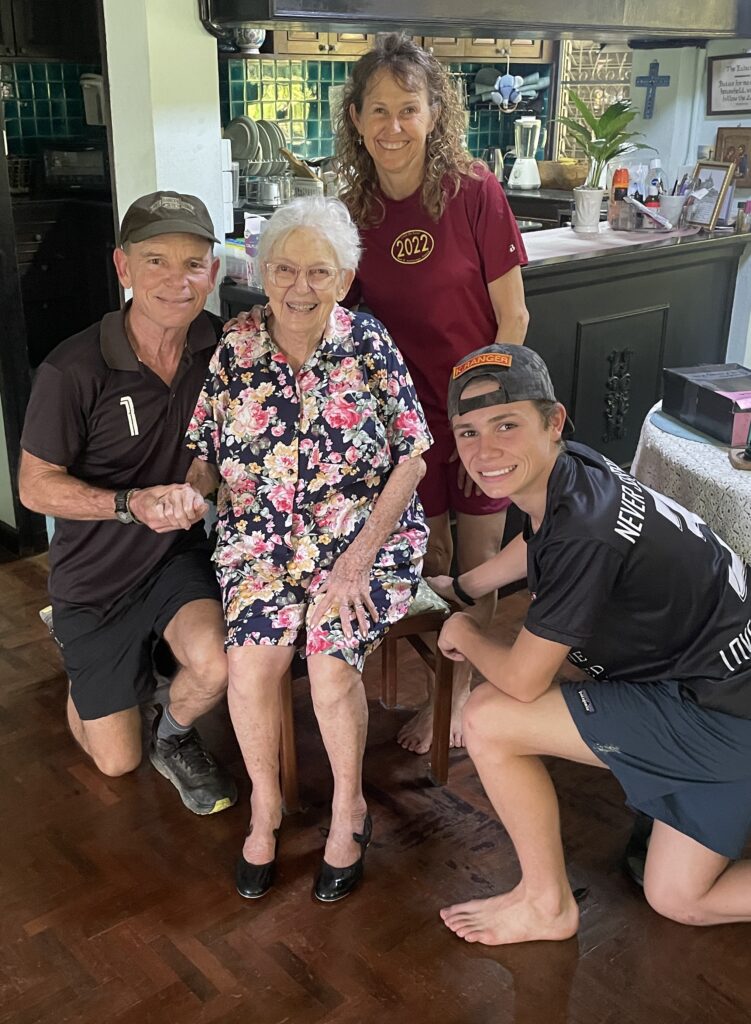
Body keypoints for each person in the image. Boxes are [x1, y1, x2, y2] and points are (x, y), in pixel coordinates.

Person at [428, 343, 751, 946]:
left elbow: (523, 680)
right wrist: (468, 585)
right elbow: (538, 540)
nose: (485, 451)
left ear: (553, 421)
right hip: (722, 684)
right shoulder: (571, 471)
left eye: (506, 424)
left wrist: (465, 631)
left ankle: (546, 905)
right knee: (678, 898)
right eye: (468, 431)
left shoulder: (586, 532)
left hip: (719, 716)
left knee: (490, 718)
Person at [185, 196, 431, 903]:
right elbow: (205, 453)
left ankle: (347, 808)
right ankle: (264, 805)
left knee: (326, 664)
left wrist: (355, 559)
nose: (300, 287)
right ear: (262, 272)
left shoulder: (369, 342)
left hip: (363, 539)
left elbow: (411, 456)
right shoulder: (235, 344)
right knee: (251, 664)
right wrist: (188, 492)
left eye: (318, 272)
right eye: (284, 269)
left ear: (345, 278)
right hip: (261, 540)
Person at [336, 32, 529, 756]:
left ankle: (465, 698)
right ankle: (445, 679)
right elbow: (342, 318)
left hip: (478, 410)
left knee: (478, 558)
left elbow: (513, 315)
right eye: (378, 110)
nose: (393, 127)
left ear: (434, 112)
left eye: (408, 109)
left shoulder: (474, 191)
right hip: (404, 422)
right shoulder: (353, 209)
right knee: (430, 555)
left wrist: (492, 402)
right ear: (355, 117)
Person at [19, 191, 237, 816]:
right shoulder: (72, 369)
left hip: (175, 558)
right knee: (116, 762)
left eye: (194, 263)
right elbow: (35, 488)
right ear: (123, 268)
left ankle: (174, 730)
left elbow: (218, 449)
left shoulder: (219, 348)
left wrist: (199, 485)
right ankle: (87, 663)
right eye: (156, 261)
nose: (177, 280)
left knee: (215, 667)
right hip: (93, 577)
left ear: (213, 273)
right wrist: (129, 505)